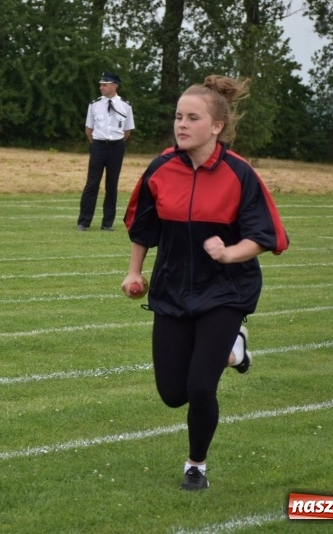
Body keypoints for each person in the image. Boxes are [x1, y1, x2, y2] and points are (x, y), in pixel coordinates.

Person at [120, 75, 289, 491]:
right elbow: (144, 225)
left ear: (216, 127)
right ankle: (236, 350)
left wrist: (230, 253)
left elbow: (267, 236)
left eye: (192, 118)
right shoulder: (161, 168)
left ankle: (196, 465)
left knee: (200, 386)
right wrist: (134, 271)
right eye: (178, 116)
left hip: (226, 292)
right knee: (172, 393)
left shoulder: (239, 173)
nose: (181, 124)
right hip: (173, 289)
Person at [77, 72, 135, 231]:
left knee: (112, 184)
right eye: (101, 84)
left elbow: (127, 131)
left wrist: (115, 143)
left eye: (105, 84)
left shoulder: (125, 105)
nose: (101, 87)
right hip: (98, 146)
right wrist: (97, 144)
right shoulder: (94, 104)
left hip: (116, 147)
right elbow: (89, 129)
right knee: (92, 184)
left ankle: (107, 223)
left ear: (114, 85)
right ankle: (84, 221)